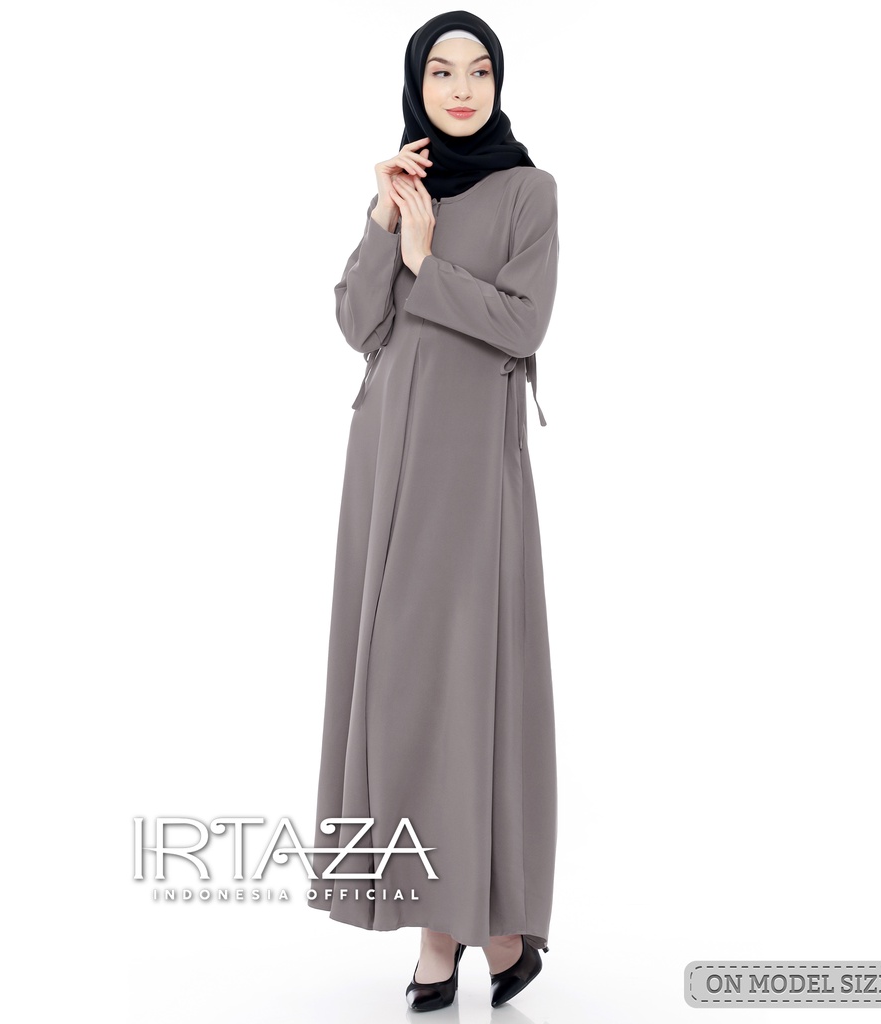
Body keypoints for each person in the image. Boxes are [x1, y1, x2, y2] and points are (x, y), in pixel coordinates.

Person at [308, 10, 559, 1012]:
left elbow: (523, 324)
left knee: (461, 685)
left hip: (469, 469)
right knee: (397, 685)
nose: (461, 89)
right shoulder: (404, 189)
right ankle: (458, 934)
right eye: (442, 73)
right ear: (416, 86)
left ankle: (467, 932)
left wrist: (426, 259)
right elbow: (355, 323)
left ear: (499, 84)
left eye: (479, 71)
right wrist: (384, 222)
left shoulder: (529, 191)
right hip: (383, 464)